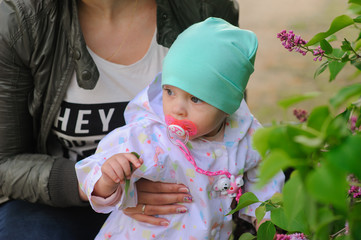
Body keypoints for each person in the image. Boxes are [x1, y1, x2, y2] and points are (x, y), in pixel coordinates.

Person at [0, 0, 239, 239]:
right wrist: (103, 185)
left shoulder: (204, 9)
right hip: (58, 200)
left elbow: (228, 126)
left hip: (181, 199)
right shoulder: (22, 18)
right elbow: (5, 162)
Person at [76, 18, 285, 239]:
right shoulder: (150, 136)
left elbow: (264, 173)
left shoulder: (246, 135)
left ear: (227, 105)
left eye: (195, 99)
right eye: (169, 91)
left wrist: (265, 218)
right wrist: (107, 178)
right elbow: (89, 173)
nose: (177, 108)